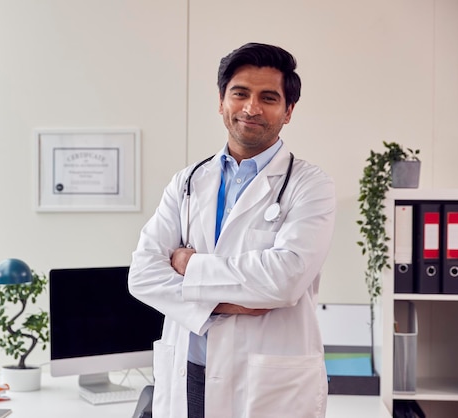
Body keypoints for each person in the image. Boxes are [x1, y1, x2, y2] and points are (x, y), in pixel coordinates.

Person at [128, 42, 336, 418]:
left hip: (266, 384)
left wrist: (189, 265)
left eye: (268, 98)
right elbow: (142, 274)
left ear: (288, 111)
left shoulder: (311, 186)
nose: (251, 108)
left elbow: (284, 279)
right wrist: (224, 304)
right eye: (240, 93)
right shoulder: (188, 181)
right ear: (222, 100)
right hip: (187, 372)